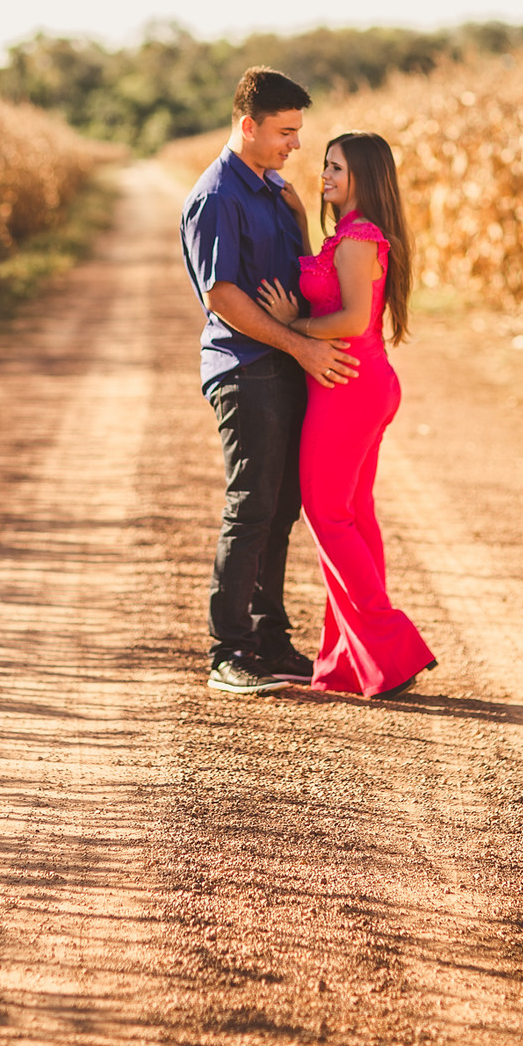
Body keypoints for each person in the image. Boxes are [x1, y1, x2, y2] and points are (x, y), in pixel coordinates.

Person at [180, 69, 360, 696]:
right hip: (244, 368)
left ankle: (270, 639)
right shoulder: (218, 196)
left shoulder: (273, 191)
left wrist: (300, 217)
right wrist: (301, 346)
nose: (296, 145)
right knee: (251, 506)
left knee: (281, 509)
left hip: (282, 365)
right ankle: (228, 653)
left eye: (299, 132)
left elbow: (298, 278)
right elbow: (223, 294)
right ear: (247, 125)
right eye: (285, 132)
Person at [257, 131, 437, 698]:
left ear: (362, 174)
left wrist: (292, 328)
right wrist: (301, 223)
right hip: (363, 384)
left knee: (327, 514)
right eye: (326, 166)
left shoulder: (359, 238)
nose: (324, 175)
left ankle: (391, 643)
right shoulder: (353, 235)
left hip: (347, 388)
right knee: (354, 515)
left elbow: (353, 318)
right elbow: (332, 285)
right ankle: (349, 663)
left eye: (335, 167)